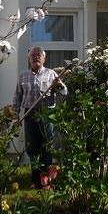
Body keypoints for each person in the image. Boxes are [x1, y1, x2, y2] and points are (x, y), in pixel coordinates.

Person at [12, 46, 67, 188]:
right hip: (30, 113)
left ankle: (46, 180)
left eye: (39, 56)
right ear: (29, 59)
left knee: (46, 147)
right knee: (32, 148)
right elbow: (17, 97)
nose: (36, 58)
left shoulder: (51, 74)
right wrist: (15, 115)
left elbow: (65, 92)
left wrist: (58, 84)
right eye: (33, 56)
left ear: (44, 58)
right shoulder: (23, 76)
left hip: (47, 114)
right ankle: (35, 180)